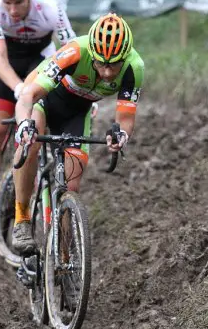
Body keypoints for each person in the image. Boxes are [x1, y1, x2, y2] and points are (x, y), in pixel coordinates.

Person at [10, 13, 144, 253]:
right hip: (45, 99)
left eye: (113, 64)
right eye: (100, 63)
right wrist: (23, 124)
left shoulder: (134, 68)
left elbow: (124, 119)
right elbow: (28, 96)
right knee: (30, 143)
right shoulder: (75, 52)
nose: (106, 72)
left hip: (76, 113)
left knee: (71, 187)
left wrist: (120, 137)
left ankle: (62, 258)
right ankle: (21, 219)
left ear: (124, 57)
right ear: (92, 53)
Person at [0, 0, 76, 238]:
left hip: (41, 63)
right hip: (8, 70)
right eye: (7, 2)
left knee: (39, 128)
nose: (13, 9)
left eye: (18, 1)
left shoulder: (50, 7)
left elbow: (71, 50)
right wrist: (19, 89)